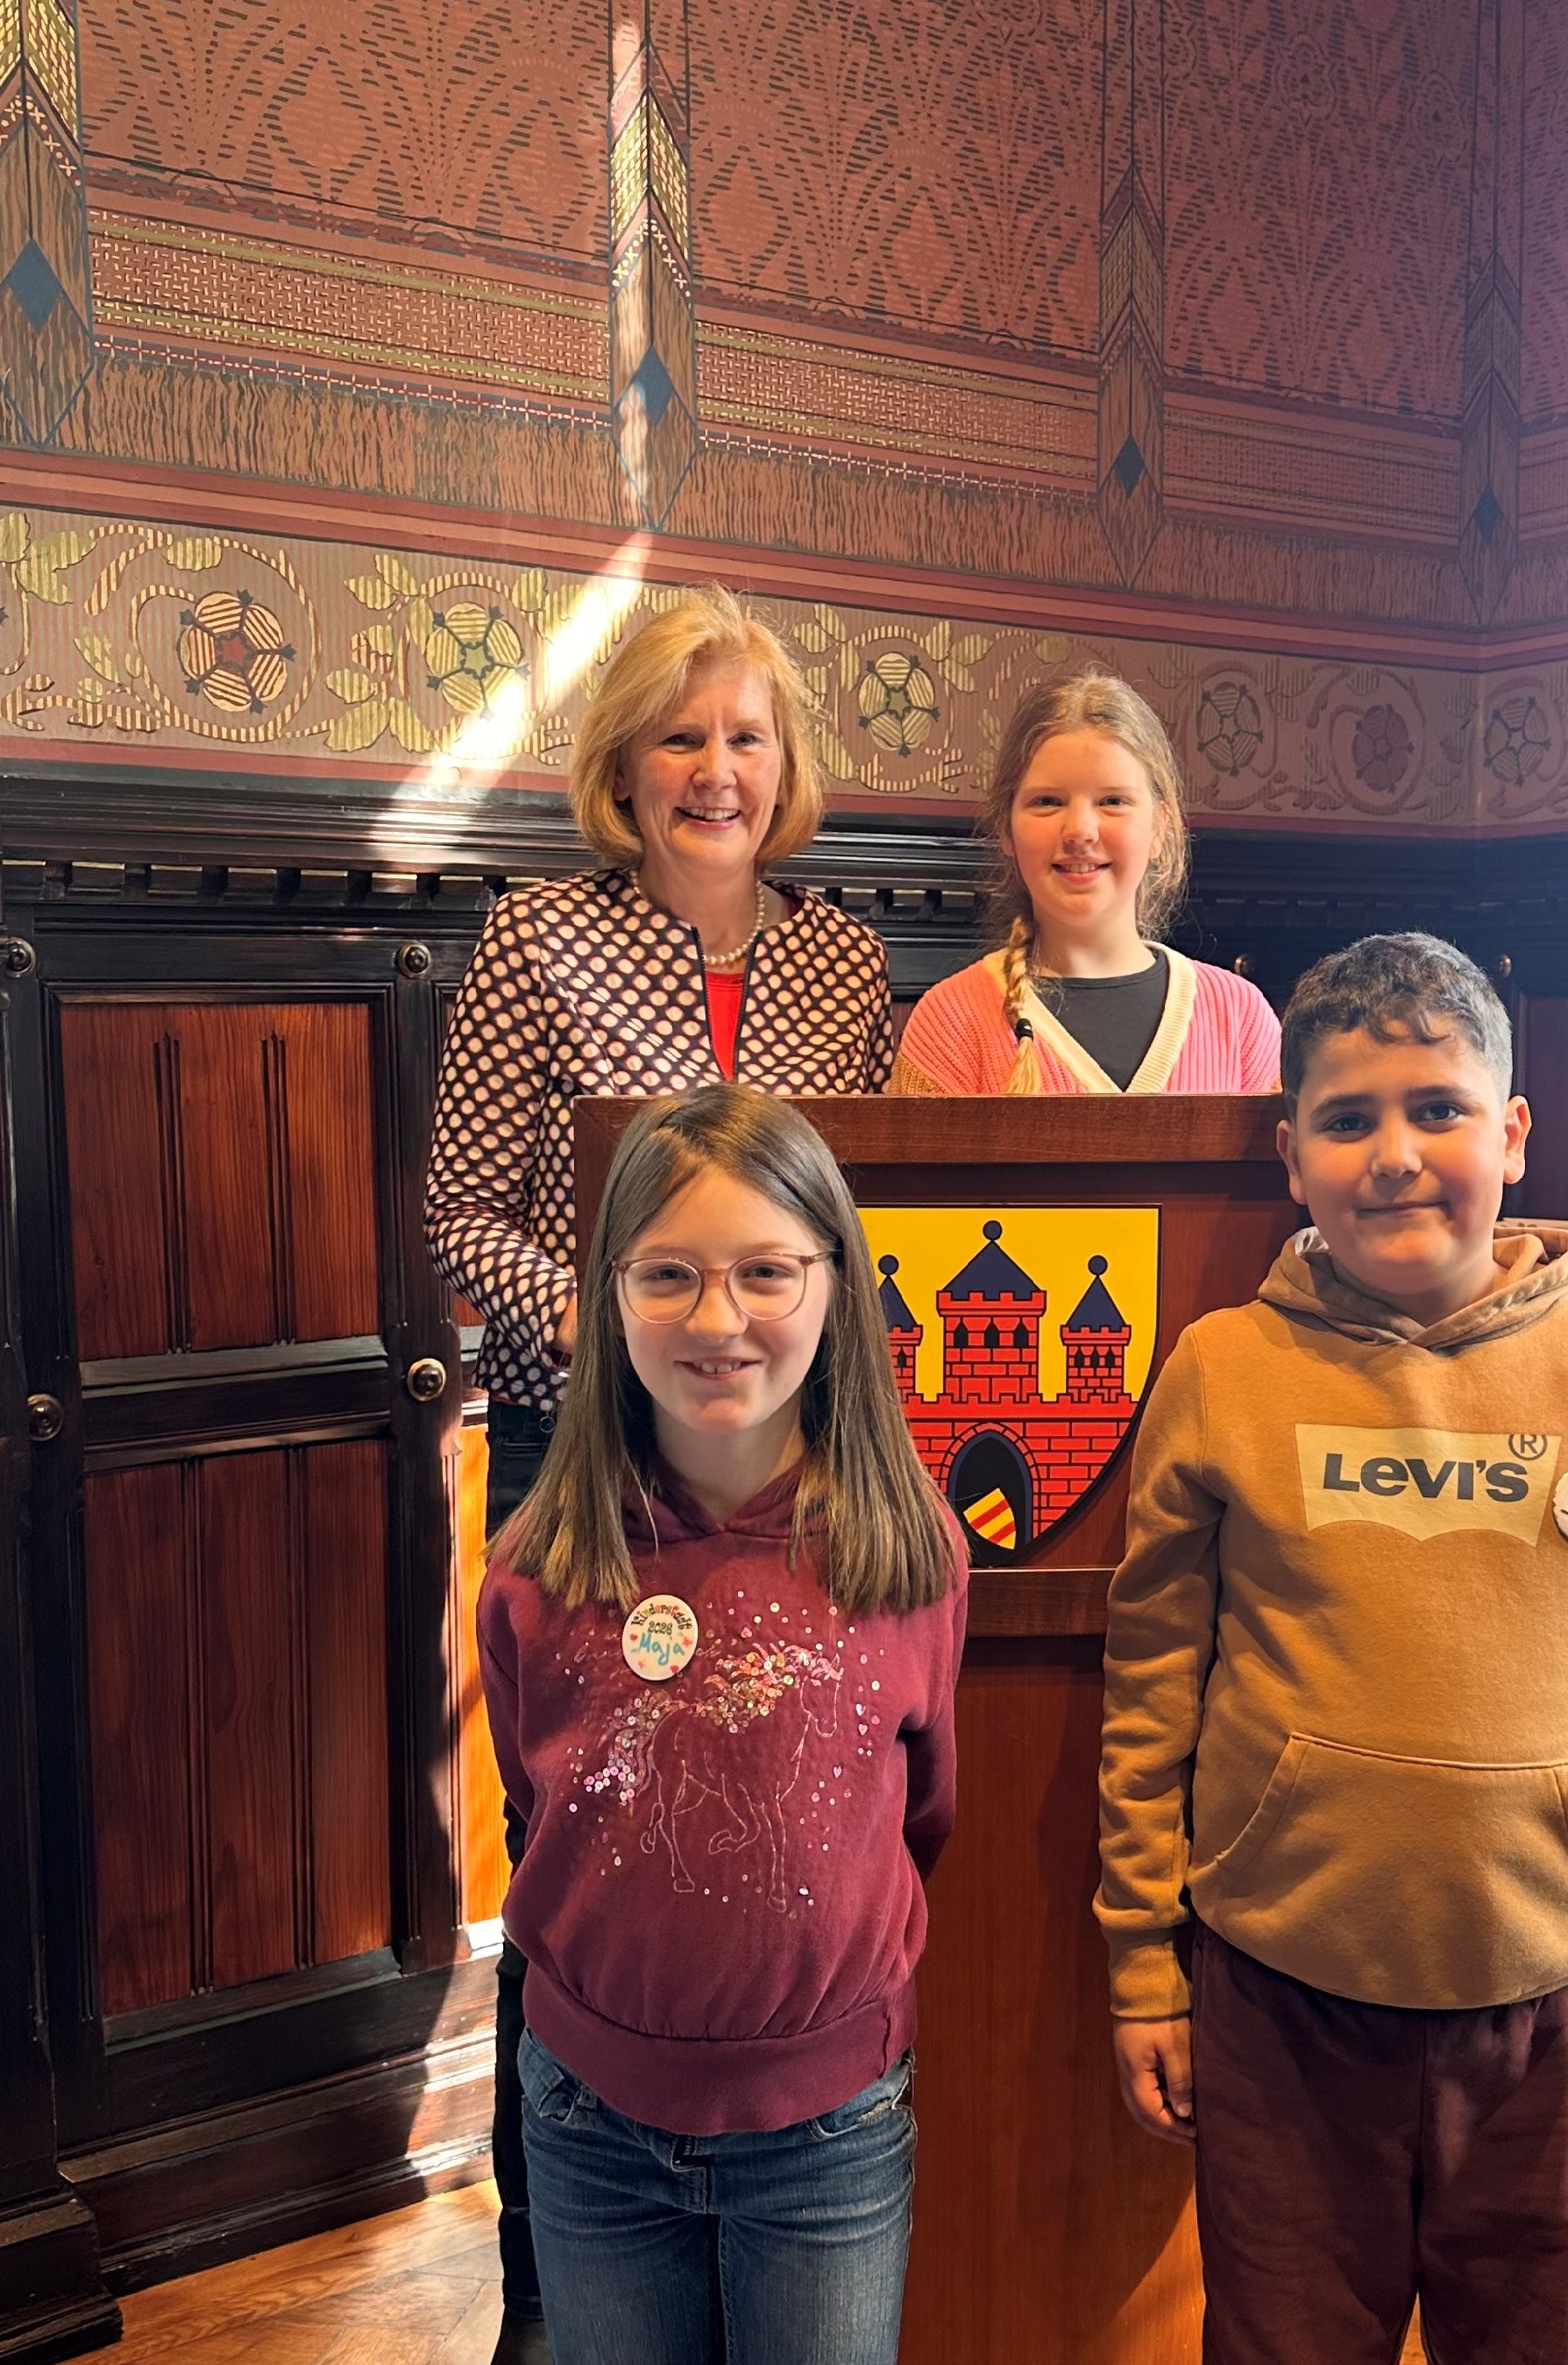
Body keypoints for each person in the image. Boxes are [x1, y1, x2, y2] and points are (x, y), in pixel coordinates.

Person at [1094, 931, 1568, 2365]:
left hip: (1553, 2009)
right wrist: (1144, 1964)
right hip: (1274, 2005)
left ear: (1512, 1133)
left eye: (1438, 1109)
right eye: (1347, 1119)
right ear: (1291, 1156)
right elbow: (1151, 1687)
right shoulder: (1220, 1369)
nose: (1395, 1155)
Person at [427, 585, 893, 2363]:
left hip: (785, 1481)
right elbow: (460, 1209)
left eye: (745, 737)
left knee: (778, 1845)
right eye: (680, 736)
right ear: (622, 766)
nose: (715, 769)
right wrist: (621, 1323)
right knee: (587, 1867)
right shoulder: (537, 935)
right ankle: (553, 2303)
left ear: (786, 766)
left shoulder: (844, 963)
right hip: (587, 1465)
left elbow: (852, 1224)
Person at [479, 1085, 968, 2365]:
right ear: (608, 1292)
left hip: (827, 2132)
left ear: (836, 1283)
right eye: (668, 1274)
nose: (716, 1319)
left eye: (765, 1270)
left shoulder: (906, 1553)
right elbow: (540, 1807)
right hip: (588, 2120)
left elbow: (920, 1814)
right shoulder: (537, 1567)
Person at [889, 671, 1279, 1096]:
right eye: (1048, 802)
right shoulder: (948, 1026)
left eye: (1113, 801)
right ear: (1006, 827)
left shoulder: (1240, 1018)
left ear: (1159, 826)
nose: (1079, 831)